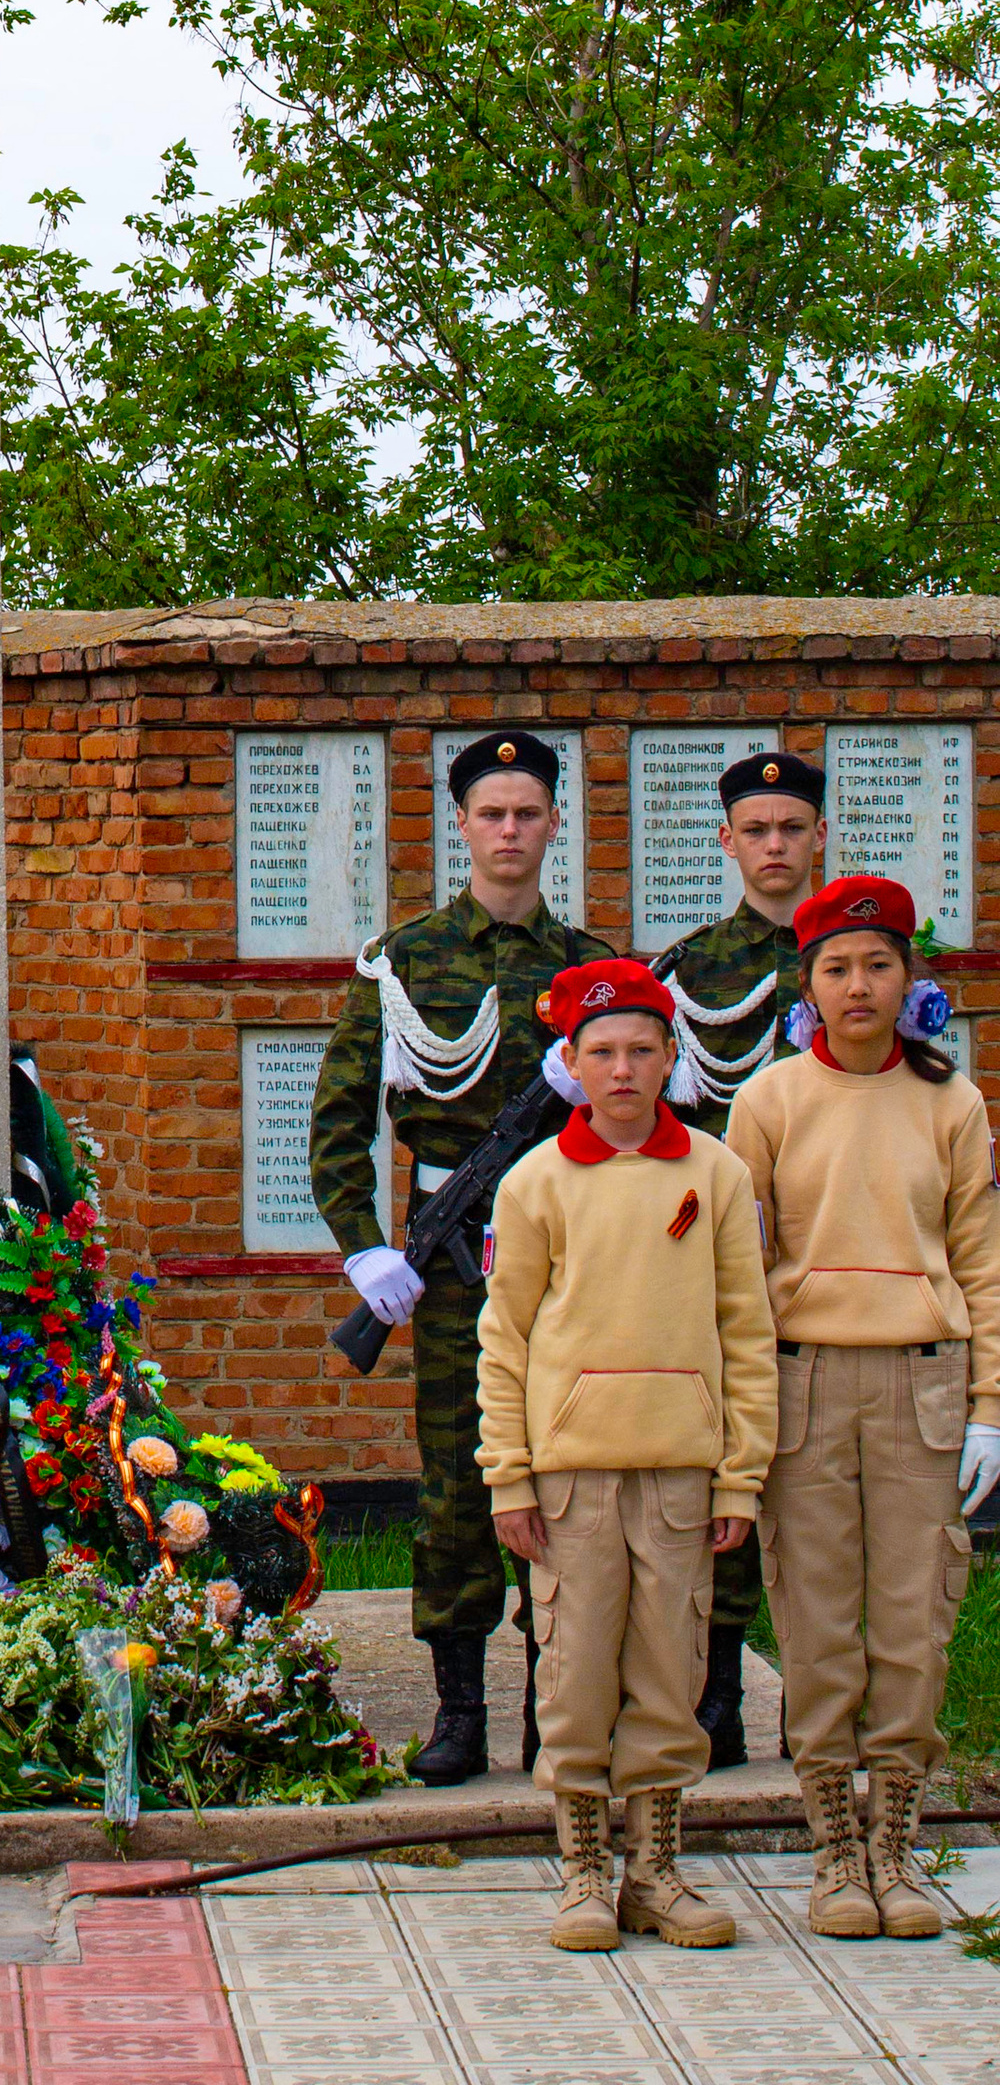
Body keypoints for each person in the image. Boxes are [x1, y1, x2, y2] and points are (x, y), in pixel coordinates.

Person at [479, 956, 777, 1954]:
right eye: (599, 1052)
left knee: (667, 1668)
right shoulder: (535, 1183)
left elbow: (746, 1331)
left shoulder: (714, 1172)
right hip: (571, 1473)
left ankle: (654, 1868)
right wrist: (509, 1475)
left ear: (667, 1057)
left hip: (681, 1469)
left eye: (640, 1050)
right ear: (570, 1062)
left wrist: (739, 1471)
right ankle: (579, 1870)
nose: (621, 1070)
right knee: (572, 1670)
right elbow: (504, 1340)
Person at [310, 728, 588, 1782]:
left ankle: (558, 1702)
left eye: (527, 812)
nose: (509, 830)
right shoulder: (406, 960)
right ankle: (461, 1710)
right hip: (450, 1261)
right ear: (460, 825)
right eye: (491, 813)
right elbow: (337, 1120)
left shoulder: (589, 968)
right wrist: (364, 1252)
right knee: (460, 1479)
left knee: (568, 1468)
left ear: (554, 824)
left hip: (570, 1257)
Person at [727, 874, 1000, 1939]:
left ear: (905, 979)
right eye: (835, 968)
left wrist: (988, 1403)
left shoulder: (950, 1103)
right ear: (807, 986)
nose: (857, 985)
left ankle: (895, 1844)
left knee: (912, 1620)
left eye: (877, 965)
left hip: (922, 1385)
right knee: (817, 1618)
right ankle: (833, 1848)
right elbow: (742, 1268)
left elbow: (980, 1262)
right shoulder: (770, 1102)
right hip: (803, 1382)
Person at [651, 746, 826, 1770]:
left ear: (817, 839)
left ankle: (818, 1705)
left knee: (810, 1494)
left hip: (826, 1266)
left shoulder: (861, 958)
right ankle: (713, 1698)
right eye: (754, 831)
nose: (773, 846)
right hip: (716, 1269)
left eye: (789, 829)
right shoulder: (690, 973)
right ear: (727, 843)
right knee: (720, 1480)